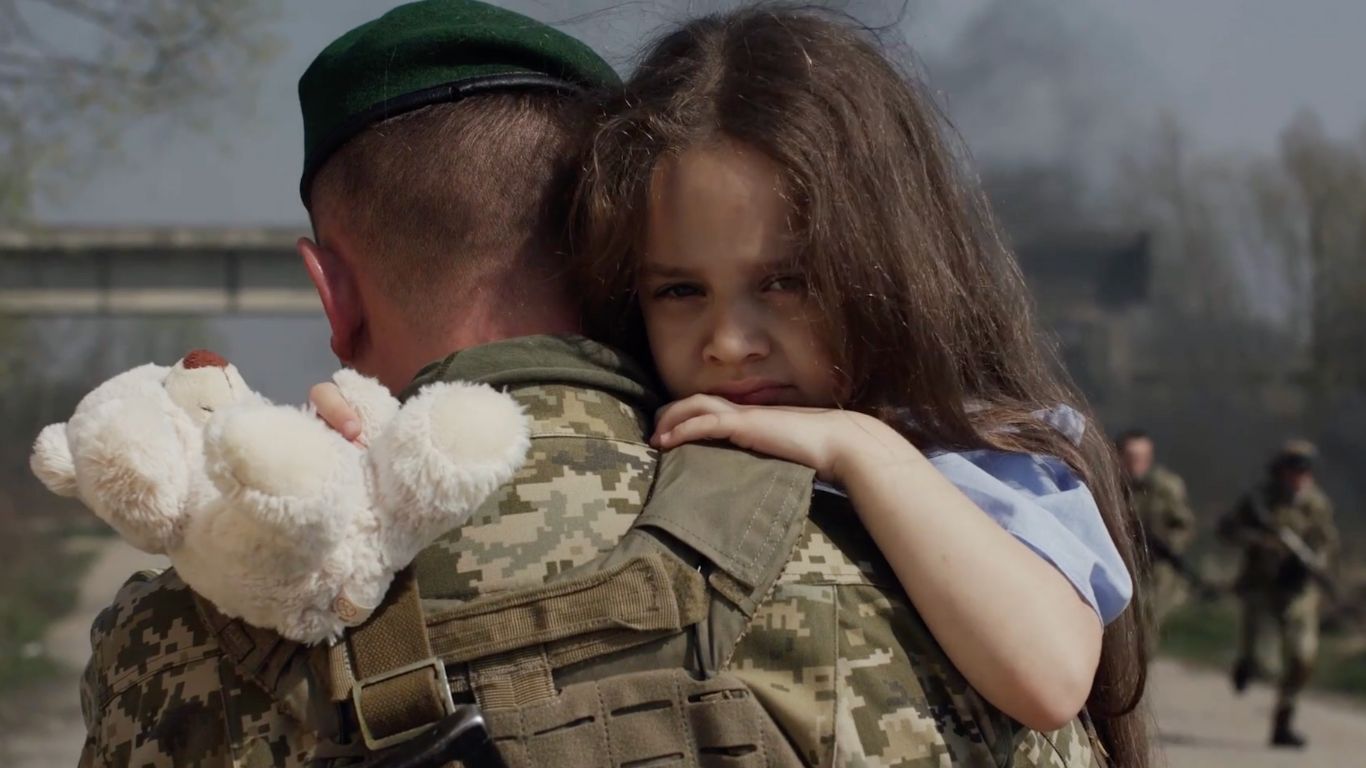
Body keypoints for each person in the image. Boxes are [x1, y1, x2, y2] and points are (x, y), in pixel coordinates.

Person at [79, 3, 1138, 767]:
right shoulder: (880, 590)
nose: (730, 342)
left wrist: (867, 451)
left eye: (788, 282)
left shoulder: (198, 633)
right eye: (679, 291)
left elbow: (1049, 668)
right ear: (609, 272)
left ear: (331, 293)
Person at [1218, 438, 1338, 748]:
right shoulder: (1259, 500)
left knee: (1302, 658)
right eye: (1294, 469)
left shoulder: (1317, 505)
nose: (1300, 476)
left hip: (1298, 592)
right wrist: (1263, 542)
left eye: (1305, 471)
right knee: (1263, 662)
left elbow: (1327, 543)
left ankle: (1283, 721)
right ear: (1280, 470)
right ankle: (1246, 664)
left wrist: (1313, 561)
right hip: (1261, 589)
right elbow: (1228, 530)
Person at [1116, 429, 1197, 636]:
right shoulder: (1110, 485)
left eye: (1142, 458)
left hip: (1156, 569)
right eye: (1131, 457)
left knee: (1145, 626)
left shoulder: (1165, 487)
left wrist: (1168, 543)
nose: (1136, 463)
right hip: (1119, 561)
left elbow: (1184, 525)